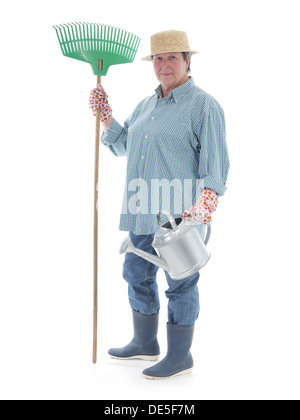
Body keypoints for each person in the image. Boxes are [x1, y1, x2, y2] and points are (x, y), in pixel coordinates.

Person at [89, 30, 230, 379]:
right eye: (158, 58)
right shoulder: (146, 105)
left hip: (177, 219)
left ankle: (180, 357)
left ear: (187, 61)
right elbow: (123, 146)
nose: (164, 65)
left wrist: (206, 203)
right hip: (139, 209)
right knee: (135, 274)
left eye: (171, 58)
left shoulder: (204, 106)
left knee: (180, 284)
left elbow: (215, 164)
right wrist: (106, 114)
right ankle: (144, 342)